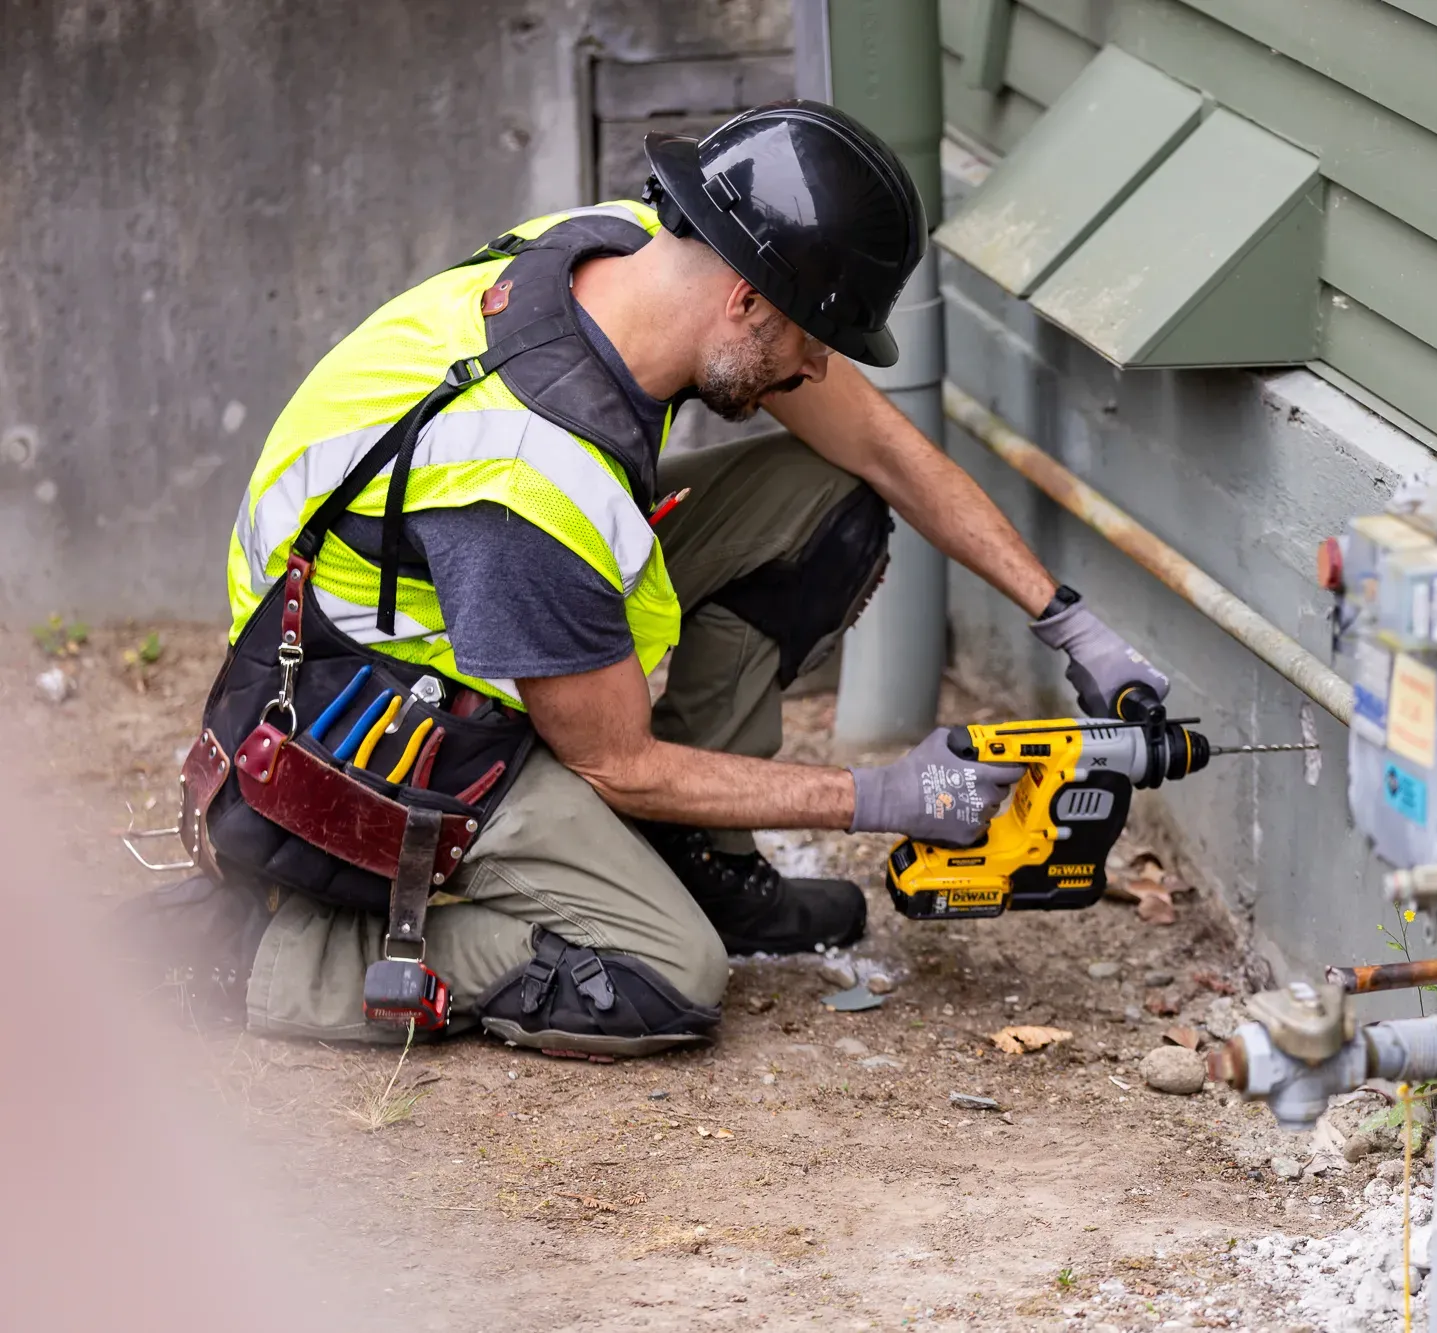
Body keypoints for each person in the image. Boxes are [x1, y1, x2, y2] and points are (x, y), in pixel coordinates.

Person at [129, 101, 1169, 1057]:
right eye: (813, 339)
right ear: (747, 300)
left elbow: (882, 452)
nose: (816, 371)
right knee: (664, 976)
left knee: (825, 502)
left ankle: (694, 858)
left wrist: (1063, 618)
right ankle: (270, 958)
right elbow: (615, 758)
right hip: (379, 714)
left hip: (471, 610)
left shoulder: (637, 249)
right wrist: (880, 797)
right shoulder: (525, 472)